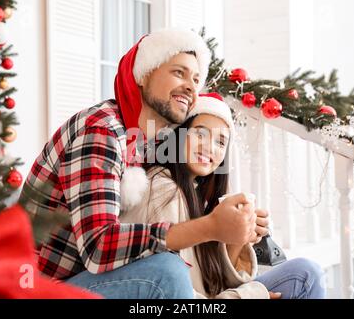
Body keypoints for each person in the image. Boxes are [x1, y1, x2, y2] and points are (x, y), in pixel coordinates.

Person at [18, 28, 258, 299]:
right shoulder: (101, 129)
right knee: (167, 270)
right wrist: (210, 226)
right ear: (143, 74)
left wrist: (237, 231)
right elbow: (100, 247)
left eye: (196, 78)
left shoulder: (146, 144)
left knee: (300, 274)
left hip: (83, 283)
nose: (191, 87)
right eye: (179, 72)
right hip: (37, 290)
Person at [119, 94, 327, 299]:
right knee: (306, 277)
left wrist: (237, 239)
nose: (209, 147)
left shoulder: (197, 195)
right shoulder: (163, 191)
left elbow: (215, 284)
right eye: (200, 134)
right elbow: (175, 292)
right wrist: (253, 295)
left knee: (306, 272)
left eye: (220, 142)